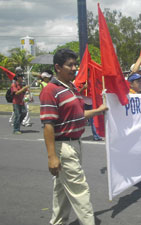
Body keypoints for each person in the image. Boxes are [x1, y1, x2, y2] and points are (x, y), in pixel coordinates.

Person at [40, 49, 108, 225]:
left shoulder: (71, 87)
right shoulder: (50, 90)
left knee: (62, 191)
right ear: (57, 67)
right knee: (80, 191)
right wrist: (52, 156)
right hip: (63, 148)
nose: (74, 68)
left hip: (76, 144)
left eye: (75, 64)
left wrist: (99, 110)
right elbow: (48, 125)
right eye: (69, 65)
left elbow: (79, 114)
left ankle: (58, 222)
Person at [10, 67, 29, 134]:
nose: (22, 78)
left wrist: (27, 91)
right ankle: (16, 129)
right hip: (16, 102)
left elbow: (26, 92)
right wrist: (24, 89)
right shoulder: (14, 84)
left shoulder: (22, 85)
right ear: (18, 77)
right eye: (21, 77)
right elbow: (17, 93)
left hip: (22, 102)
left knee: (24, 112)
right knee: (17, 115)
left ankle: (17, 124)